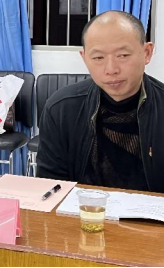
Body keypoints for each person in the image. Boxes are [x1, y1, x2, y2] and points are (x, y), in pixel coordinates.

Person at [37, 11, 164, 193]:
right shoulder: (61, 109)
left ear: (147, 53)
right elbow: (51, 186)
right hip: (82, 209)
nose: (111, 69)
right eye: (98, 58)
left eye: (123, 55)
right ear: (84, 58)